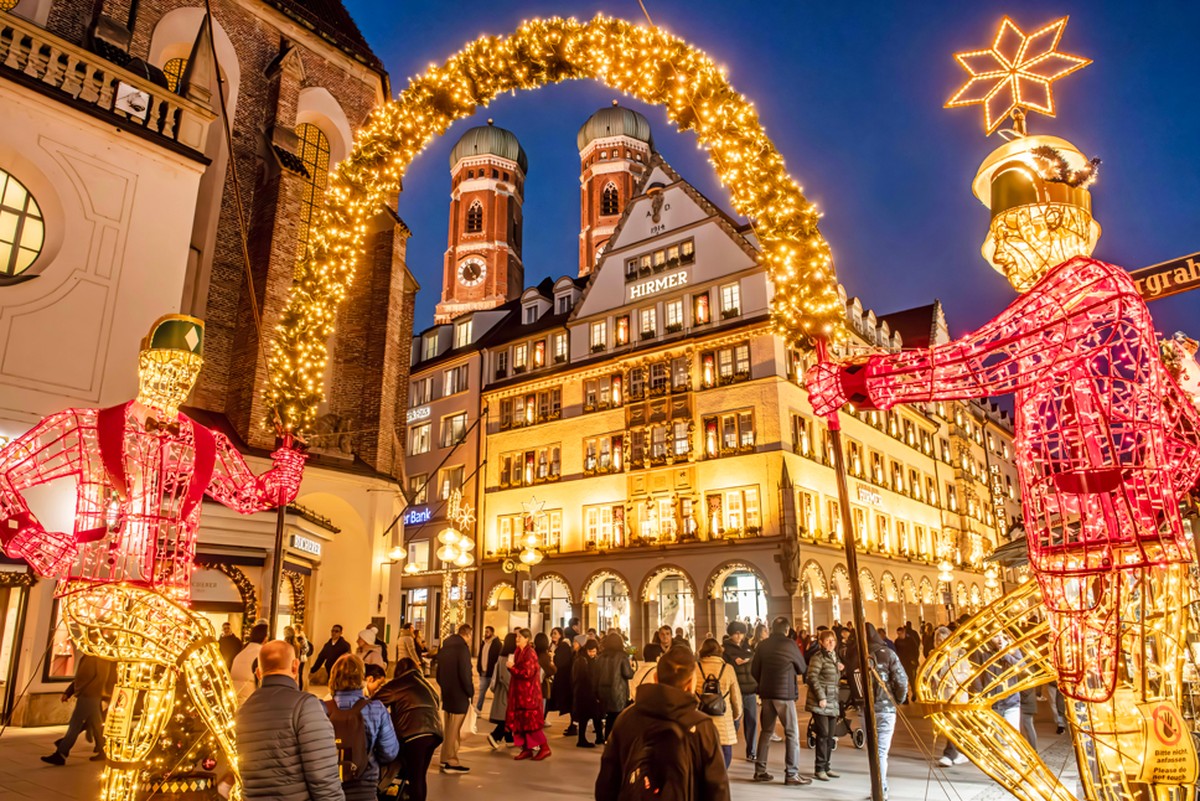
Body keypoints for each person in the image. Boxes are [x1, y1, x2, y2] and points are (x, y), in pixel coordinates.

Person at [595, 645, 730, 801]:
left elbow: (607, 783)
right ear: (691, 683)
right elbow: (717, 788)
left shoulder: (627, 719)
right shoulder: (701, 726)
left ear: (655, 678)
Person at [236, 640, 342, 800]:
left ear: (258, 673)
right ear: (295, 666)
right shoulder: (306, 706)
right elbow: (323, 777)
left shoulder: (244, 711)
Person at [325, 653, 398, 801]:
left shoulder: (321, 708)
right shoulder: (376, 709)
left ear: (333, 677)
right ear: (362, 678)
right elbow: (389, 752)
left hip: (328, 787)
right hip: (364, 786)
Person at [374, 657, 443, 801]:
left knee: (414, 777)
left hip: (413, 734)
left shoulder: (397, 684)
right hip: (434, 733)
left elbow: (373, 704)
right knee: (419, 776)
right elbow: (436, 701)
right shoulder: (427, 684)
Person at [752, 615, 809, 786]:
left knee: (766, 732)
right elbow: (802, 668)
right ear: (787, 630)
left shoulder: (762, 645)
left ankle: (760, 771)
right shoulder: (790, 644)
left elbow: (754, 670)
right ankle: (791, 773)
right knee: (791, 733)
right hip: (784, 695)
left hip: (767, 694)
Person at [41, 653, 111, 765]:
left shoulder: (99, 656)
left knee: (75, 724)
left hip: (89, 696)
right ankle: (103, 749)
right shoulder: (89, 656)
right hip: (89, 695)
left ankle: (61, 753)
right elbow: (80, 678)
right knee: (97, 724)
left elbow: (100, 678)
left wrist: (88, 692)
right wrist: (69, 692)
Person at [866, 622, 909, 798]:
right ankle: (880, 788)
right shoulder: (888, 654)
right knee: (881, 751)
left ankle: (877, 787)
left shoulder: (856, 655)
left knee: (873, 751)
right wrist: (898, 699)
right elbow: (901, 680)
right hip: (885, 708)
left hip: (866, 710)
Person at [696, 637, 743, 768]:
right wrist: (737, 714)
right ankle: (719, 778)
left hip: (700, 719)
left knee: (702, 753)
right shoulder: (728, 669)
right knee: (725, 753)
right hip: (723, 719)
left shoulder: (695, 668)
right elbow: (736, 696)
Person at [435, 622, 473, 773]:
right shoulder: (462, 649)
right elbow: (465, 673)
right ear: (467, 634)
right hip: (459, 694)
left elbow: (438, 674)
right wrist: (469, 691)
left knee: (449, 727)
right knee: (454, 730)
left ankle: (444, 758)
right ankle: (451, 760)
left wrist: (445, 686)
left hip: (447, 693)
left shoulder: (445, 647)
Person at [508, 627, 552, 760]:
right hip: (519, 693)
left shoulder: (530, 653)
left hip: (529, 695)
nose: (517, 639)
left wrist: (512, 668)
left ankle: (544, 747)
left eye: (520, 637)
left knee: (531, 724)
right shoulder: (518, 652)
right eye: (517, 637)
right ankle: (526, 749)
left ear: (527, 639)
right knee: (521, 723)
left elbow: (527, 673)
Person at [932, 626, 972, 768]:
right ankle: (962, 751)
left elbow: (967, 674)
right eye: (938, 640)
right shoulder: (935, 655)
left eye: (943, 640)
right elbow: (927, 673)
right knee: (949, 726)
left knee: (952, 724)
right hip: (941, 697)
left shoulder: (960, 654)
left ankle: (949, 754)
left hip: (956, 696)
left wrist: (950, 679)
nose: (941, 643)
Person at [806, 628, 842, 782]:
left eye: (833, 640)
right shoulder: (818, 657)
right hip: (820, 702)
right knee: (822, 735)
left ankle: (827, 765)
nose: (831, 643)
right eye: (828, 640)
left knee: (830, 736)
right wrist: (821, 696)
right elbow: (812, 677)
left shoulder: (834, 657)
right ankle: (819, 768)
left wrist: (839, 667)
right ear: (821, 642)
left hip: (833, 701)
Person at [722, 621, 759, 762]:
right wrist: (733, 661)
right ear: (731, 634)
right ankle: (727, 750)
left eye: (740, 633)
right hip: (734, 690)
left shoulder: (748, 647)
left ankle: (752, 751)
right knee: (735, 721)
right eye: (736, 633)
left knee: (752, 721)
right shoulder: (725, 649)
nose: (738, 636)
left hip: (749, 689)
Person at [594, 631, 634, 737]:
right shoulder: (622, 656)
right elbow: (628, 674)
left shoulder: (601, 657)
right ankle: (613, 738)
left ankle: (607, 737)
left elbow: (596, 674)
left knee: (609, 716)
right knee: (617, 716)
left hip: (603, 690)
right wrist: (632, 668)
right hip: (617, 691)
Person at [487, 633, 518, 749]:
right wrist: (514, 689)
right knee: (506, 718)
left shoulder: (502, 656)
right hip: (506, 693)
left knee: (507, 717)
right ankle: (495, 736)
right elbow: (506, 678)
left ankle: (509, 739)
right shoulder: (507, 658)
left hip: (502, 692)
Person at [571, 639, 603, 747]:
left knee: (596, 716)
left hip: (590, 693)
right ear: (586, 650)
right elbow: (584, 678)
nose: (592, 654)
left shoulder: (592, 660)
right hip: (585, 693)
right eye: (590, 651)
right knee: (586, 717)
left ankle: (599, 737)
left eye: (594, 651)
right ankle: (582, 740)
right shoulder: (582, 660)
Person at [230, 622, 269, 705]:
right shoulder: (262, 655)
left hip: (236, 699)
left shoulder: (241, 654)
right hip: (252, 701)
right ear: (265, 638)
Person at [549, 627, 575, 733]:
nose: (553, 635)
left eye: (555, 633)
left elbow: (561, 662)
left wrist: (553, 657)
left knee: (567, 703)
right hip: (560, 678)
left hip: (564, 679)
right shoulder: (556, 646)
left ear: (560, 634)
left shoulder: (563, 646)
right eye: (552, 633)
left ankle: (573, 725)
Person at [475, 625, 500, 713]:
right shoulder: (483, 643)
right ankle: (478, 709)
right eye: (485, 632)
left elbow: (498, 659)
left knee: (496, 693)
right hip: (483, 672)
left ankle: (496, 711)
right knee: (482, 692)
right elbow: (480, 656)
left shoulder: (497, 644)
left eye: (487, 632)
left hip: (492, 673)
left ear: (492, 633)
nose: (486, 633)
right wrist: (479, 668)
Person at [894, 625, 921, 702]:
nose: (899, 635)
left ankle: (914, 693)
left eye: (900, 633)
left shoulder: (910, 640)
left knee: (912, 679)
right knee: (904, 679)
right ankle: (905, 696)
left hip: (910, 662)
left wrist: (914, 660)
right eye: (898, 634)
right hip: (902, 663)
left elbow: (915, 650)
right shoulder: (897, 641)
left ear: (904, 632)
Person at [533, 631, 556, 717]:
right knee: (541, 706)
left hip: (532, 684)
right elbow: (552, 671)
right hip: (542, 685)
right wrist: (552, 664)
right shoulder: (545, 656)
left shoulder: (532, 653)